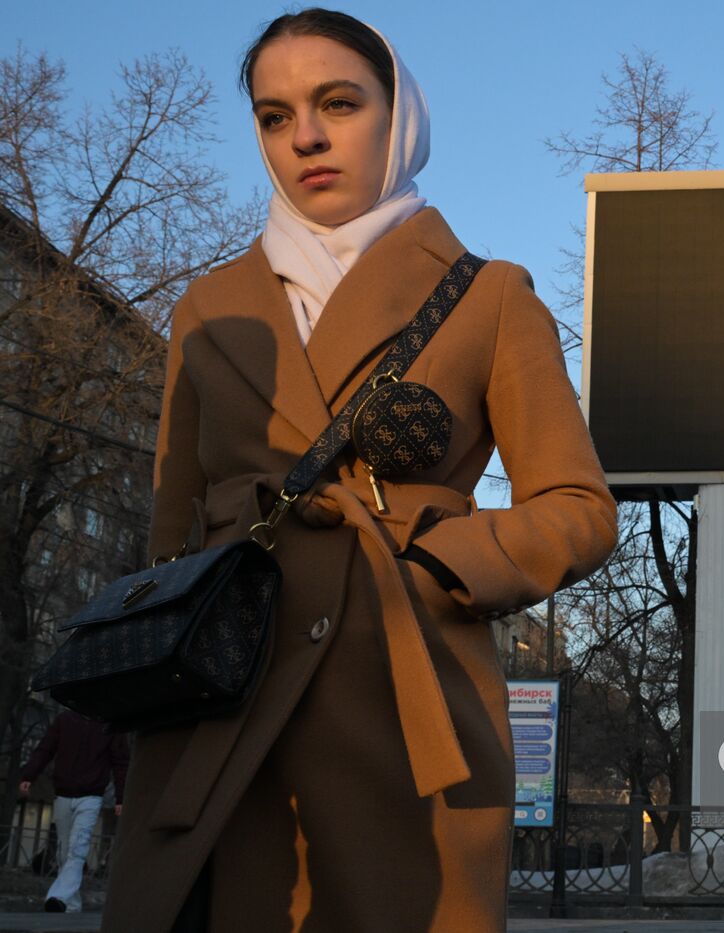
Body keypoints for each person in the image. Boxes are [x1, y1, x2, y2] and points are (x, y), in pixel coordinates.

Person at [100, 10, 617, 933]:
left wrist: (441, 560)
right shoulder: (210, 310)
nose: (304, 136)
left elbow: (579, 510)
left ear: (399, 113)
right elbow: (168, 544)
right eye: (273, 114)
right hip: (223, 710)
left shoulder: (487, 293)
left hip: (406, 706)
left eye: (337, 101)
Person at [18, 710, 128, 913]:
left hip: (91, 797)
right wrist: (28, 775)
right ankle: (71, 904)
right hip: (63, 794)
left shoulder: (110, 723)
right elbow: (45, 749)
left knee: (78, 848)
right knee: (63, 852)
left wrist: (121, 798)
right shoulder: (65, 720)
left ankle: (58, 896)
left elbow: (120, 762)